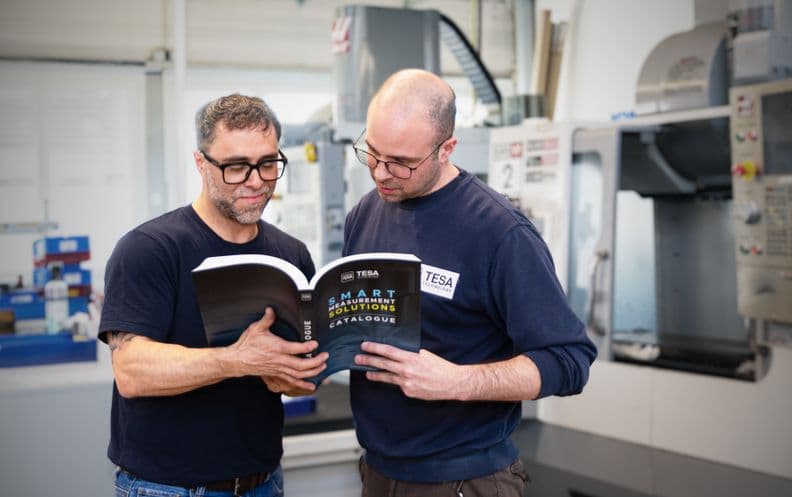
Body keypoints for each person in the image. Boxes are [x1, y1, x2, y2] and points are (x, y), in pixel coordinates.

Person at [344, 69, 597, 496]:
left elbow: (570, 360)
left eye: (402, 163)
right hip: (378, 472)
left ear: (447, 149)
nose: (381, 173)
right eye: (371, 152)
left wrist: (457, 381)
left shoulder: (500, 233)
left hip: (465, 480)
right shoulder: (365, 214)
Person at [98, 94, 328, 496]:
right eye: (237, 167)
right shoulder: (149, 248)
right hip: (168, 488)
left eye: (269, 163)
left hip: (263, 482)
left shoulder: (291, 255)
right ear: (201, 164)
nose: (257, 181)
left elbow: (300, 382)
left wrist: (292, 376)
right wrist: (236, 360)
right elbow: (131, 372)